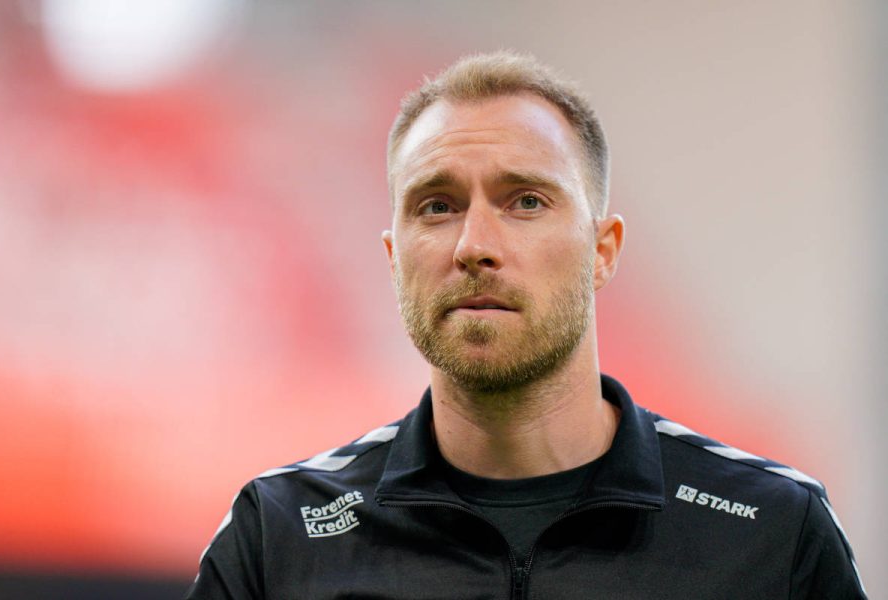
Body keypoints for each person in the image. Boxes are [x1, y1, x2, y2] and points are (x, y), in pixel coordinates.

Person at [185, 51, 866, 599]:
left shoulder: (772, 533)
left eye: (526, 201)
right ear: (394, 260)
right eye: (436, 205)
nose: (474, 244)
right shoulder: (278, 538)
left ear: (602, 251)